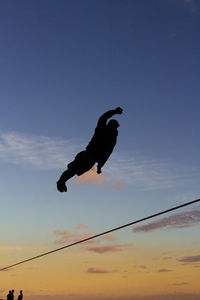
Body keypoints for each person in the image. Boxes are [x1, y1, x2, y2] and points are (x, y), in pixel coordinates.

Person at [57, 107, 123, 192]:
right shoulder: (102, 129)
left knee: (74, 171)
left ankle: (61, 182)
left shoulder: (112, 139)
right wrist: (114, 112)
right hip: (87, 154)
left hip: (92, 159)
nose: (114, 128)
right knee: (73, 170)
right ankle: (61, 182)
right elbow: (103, 117)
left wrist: (99, 166)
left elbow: (108, 153)